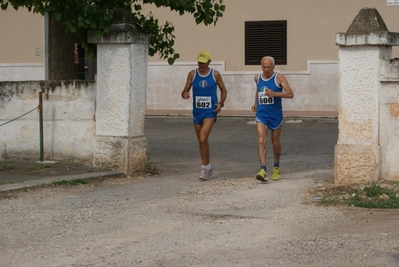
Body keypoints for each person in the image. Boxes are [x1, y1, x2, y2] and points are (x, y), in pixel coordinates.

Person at [181, 51, 228, 180]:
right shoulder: (192, 74)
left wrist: (221, 103)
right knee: (202, 141)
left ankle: (204, 168)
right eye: (199, 62)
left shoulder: (215, 74)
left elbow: (224, 90)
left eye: (203, 62)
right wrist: (184, 94)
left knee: (202, 138)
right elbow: (185, 90)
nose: (201, 65)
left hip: (210, 112)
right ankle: (207, 167)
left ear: (209, 62)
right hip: (197, 112)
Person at [251, 56, 294, 182]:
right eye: (263, 67)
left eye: (268, 67)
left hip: (275, 115)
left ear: (273, 67)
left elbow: (290, 94)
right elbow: (258, 90)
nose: (266, 69)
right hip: (261, 115)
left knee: (275, 142)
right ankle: (263, 169)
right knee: (261, 140)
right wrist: (256, 103)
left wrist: (275, 94)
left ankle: (276, 166)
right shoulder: (257, 77)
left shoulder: (278, 77)